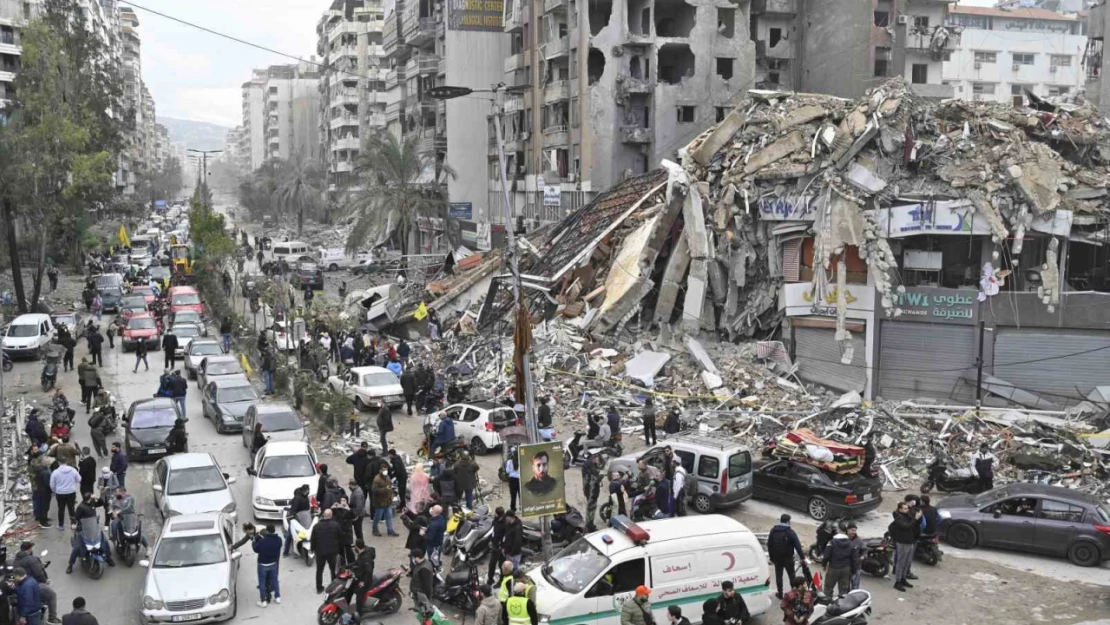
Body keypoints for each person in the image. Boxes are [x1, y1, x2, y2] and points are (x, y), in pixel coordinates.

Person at [66, 493, 115, 573]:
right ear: (89, 498)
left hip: (93, 527)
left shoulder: (92, 503)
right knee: (77, 548)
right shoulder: (81, 507)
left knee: (105, 542)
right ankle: (70, 565)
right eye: (91, 497)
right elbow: (75, 517)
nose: (92, 497)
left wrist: (97, 498)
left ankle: (108, 558)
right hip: (83, 529)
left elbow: (101, 503)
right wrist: (73, 524)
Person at [14, 542, 60, 624]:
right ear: (29, 549)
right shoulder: (31, 559)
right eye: (32, 548)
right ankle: (52, 618)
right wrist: (46, 580)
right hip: (33, 583)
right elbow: (39, 573)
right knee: (52, 595)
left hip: (19, 585)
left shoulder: (16, 559)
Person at [766, 514, 806, 598]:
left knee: (778, 575)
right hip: (788, 558)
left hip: (777, 558)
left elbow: (769, 544)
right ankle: (794, 594)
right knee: (792, 576)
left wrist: (771, 557)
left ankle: (780, 593)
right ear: (788, 521)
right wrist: (802, 557)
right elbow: (798, 546)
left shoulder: (773, 530)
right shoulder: (790, 532)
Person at [889, 501, 920, 592]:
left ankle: (903, 579)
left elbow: (914, 524)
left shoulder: (907, 516)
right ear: (900, 509)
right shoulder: (899, 518)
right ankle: (897, 581)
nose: (907, 510)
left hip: (910, 542)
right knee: (901, 562)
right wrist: (915, 519)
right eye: (905, 508)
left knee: (907, 562)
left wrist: (916, 518)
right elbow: (906, 526)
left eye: (907, 508)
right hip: (902, 543)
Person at [108, 486, 148, 554]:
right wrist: (111, 510)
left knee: (136, 531)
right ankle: (115, 540)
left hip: (130, 517)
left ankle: (147, 548)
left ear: (122, 492)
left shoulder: (130, 498)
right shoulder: (115, 499)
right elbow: (111, 505)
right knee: (113, 524)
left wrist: (120, 511)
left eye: (117, 492)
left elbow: (129, 507)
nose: (116, 493)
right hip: (119, 518)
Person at [311, 509, 343, 593]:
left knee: (319, 570)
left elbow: (313, 539)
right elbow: (340, 538)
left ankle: (319, 588)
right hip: (332, 552)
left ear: (323, 516)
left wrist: (312, 549)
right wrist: (340, 551)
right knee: (333, 570)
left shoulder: (316, 526)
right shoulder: (336, 525)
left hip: (320, 552)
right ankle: (333, 587)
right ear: (331, 516)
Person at [252, 525, 283, 607]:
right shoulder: (279, 540)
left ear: (267, 531)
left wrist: (254, 541)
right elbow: (279, 547)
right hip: (273, 564)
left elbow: (256, 549)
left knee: (262, 583)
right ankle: (277, 597)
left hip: (263, 564)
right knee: (275, 580)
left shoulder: (262, 541)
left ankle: (263, 601)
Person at [821, 527, 854, 598]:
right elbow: (853, 558)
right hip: (846, 569)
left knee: (828, 588)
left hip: (833, 568)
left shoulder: (831, 542)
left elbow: (826, 556)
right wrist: (852, 570)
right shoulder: (850, 543)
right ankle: (842, 606)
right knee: (843, 590)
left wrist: (824, 565)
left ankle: (827, 604)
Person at [50, 462, 80, 530]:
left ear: (59, 463)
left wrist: (55, 491)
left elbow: (52, 484)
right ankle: (73, 524)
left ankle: (61, 525)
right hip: (71, 492)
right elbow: (79, 479)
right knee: (71, 508)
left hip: (60, 493)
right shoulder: (73, 470)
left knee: (61, 509)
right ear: (66, 463)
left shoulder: (55, 472)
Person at [32, 457, 52, 528]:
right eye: (48, 461)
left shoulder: (39, 470)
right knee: (45, 507)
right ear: (44, 462)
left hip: (40, 490)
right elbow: (48, 483)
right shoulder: (45, 472)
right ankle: (43, 522)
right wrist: (52, 490)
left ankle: (43, 518)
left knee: (42, 506)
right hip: (45, 492)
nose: (49, 462)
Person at [845, 523, 866, 591]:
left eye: (855, 530)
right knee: (845, 587)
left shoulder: (859, 540)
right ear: (847, 530)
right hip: (845, 566)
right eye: (852, 530)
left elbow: (864, 550)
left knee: (855, 587)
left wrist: (862, 557)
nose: (854, 532)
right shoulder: (843, 539)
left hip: (856, 566)